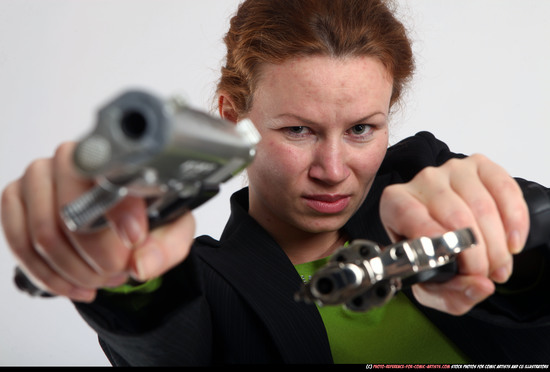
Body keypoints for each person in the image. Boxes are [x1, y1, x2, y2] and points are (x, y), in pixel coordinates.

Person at [1, 0, 549, 365]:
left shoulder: (428, 179)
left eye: (361, 129)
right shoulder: (207, 285)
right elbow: (160, 336)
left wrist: (516, 235)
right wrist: (119, 265)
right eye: (298, 130)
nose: (333, 169)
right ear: (230, 115)